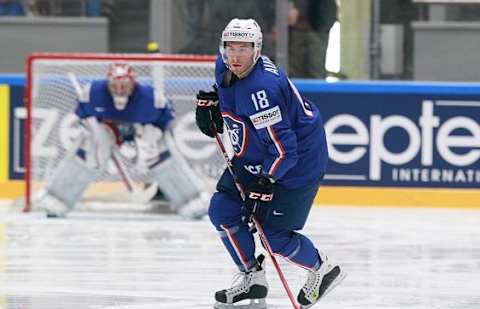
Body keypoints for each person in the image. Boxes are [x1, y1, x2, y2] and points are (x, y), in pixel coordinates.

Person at [195, 18, 345, 308]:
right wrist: (215, 102)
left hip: (297, 163)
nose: (236, 55)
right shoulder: (225, 67)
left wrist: (265, 182)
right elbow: (230, 94)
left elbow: (285, 151)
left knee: (273, 237)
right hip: (257, 151)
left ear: (257, 50)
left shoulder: (262, 90)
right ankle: (252, 279)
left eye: (244, 48)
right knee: (223, 210)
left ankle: (322, 269)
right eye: (230, 48)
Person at [37, 63, 209, 218]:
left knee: (160, 157)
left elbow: (166, 121)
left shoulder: (151, 99)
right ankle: (56, 198)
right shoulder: (92, 93)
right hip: (105, 129)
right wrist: (96, 131)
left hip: (140, 129)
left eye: (124, 85)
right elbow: (82, 116)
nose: (119, 89)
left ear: (133, 83)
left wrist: (149, 136)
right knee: (88, 153)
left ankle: (191, 200)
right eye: (115, 85)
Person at [288, 0, 337, 79]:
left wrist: (298, 9)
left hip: (316, 30)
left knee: (315, 71)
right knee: (294, 74)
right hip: (293, 33)